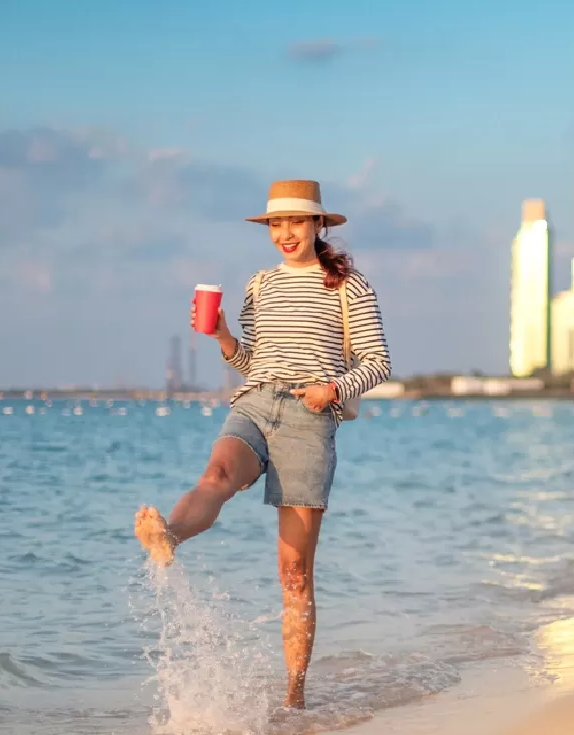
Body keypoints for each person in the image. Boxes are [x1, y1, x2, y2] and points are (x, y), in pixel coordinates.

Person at [133, 179, 392, 709]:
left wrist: (332, 390)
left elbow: (378, 362)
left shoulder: (349, 285)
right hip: (255, 402)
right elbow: (252, 363)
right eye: (276, 224)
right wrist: (225, 337)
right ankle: (170, 536)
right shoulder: (259, 285)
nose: (285, 233)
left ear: (319, 224)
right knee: (217, 476)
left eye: (296, 222)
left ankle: (294, 700)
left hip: (309, 419)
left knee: (294, 573)